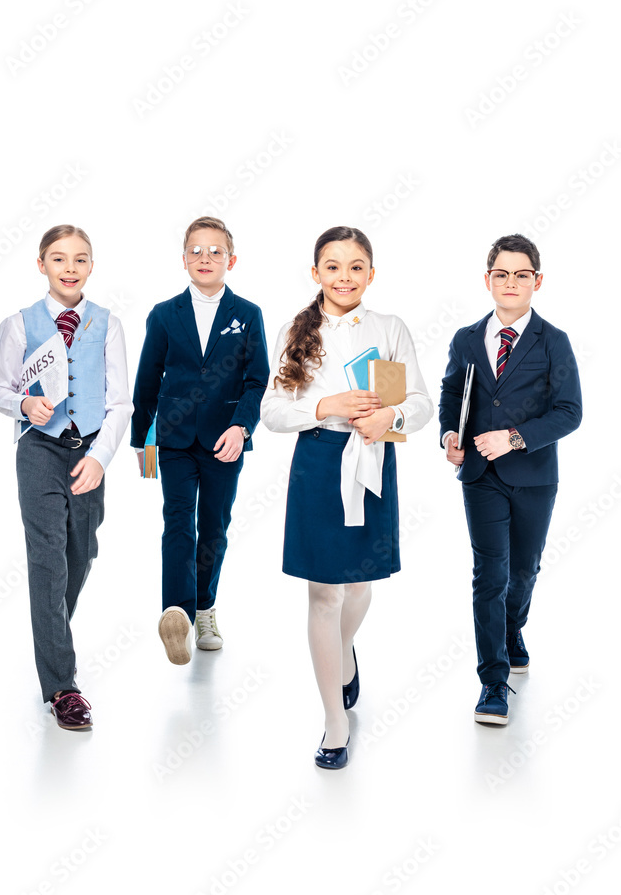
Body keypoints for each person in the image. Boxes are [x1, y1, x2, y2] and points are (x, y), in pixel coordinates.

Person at [261, 227, 432, 768]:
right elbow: (270, 411)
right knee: (323, 595)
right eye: (332, 267)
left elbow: (424, 403)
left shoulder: (390, 327)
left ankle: (345, 650)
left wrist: (392, 415)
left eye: (356, 266)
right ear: (315, 274)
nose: (344, 276)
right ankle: (335, 720)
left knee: (358, 586)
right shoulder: (295, 329)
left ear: (371, 274)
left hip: (374, 458)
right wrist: (324, 405)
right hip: (317, 463)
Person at [0, 225, 133, 730]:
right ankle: (61, 687)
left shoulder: (107, 324)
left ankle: (50, 632)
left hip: (87, 450)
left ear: (91, 266)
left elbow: (120, 402)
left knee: (80, 552)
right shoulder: (20, 324)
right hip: (38, 449)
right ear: (41, 265)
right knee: (47, 559)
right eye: (59, 258)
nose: (70, 268)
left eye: (80, 259)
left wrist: (100, 458)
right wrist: (23, 402)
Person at [439, 234, 582, 726]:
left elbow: (570, 413)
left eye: (522, 274)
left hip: (535, 476)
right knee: (490, 574)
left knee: (524, 570)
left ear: (536, 281)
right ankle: (493, 684)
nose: (511, 282)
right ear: (488, 280)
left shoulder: (553, 340)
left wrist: (514, 438)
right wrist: (448, 437)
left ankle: (513, 627)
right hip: (479, 476)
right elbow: (451, 394)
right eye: (501, 273)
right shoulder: (465, 339)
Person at [131, 216, 269, 665]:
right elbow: (147, 380)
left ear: (231, 259)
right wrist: (140, 441)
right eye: (196, 250)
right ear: (183, 259)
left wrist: (242, 426)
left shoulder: (248, 315)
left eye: (215, 251)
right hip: (173, 438)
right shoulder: (164, 314)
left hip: (224, 439)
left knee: (213, 526)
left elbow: (257, 379)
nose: (205, 258)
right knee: (177, 521)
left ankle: (204, 607)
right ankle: (177, 612)